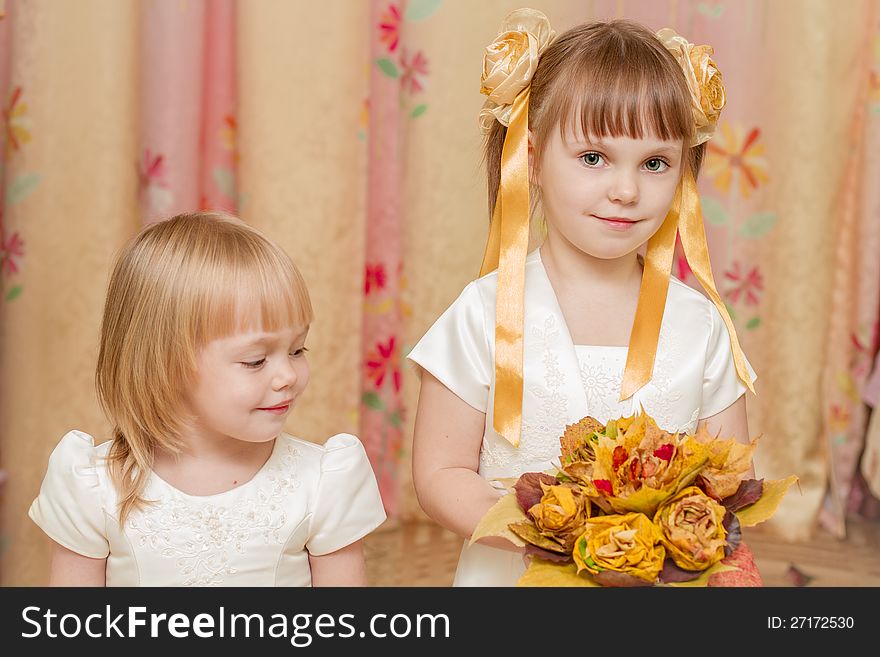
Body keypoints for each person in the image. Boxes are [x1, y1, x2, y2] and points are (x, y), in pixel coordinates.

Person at [408, 9, 761, 586]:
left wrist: (678, 540)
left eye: (654, 163)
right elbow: (440, 473)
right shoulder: (481, 315)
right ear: (535, 157)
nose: (624, 190)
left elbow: (729, 475)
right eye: (593, 158)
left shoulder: (700, 326)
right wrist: (555, 540)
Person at [29, 211, 386, 586]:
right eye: (256, 360)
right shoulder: (95, 486)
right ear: (165, 363)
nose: (288, 376)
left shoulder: (321, 482)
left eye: (298, 350)